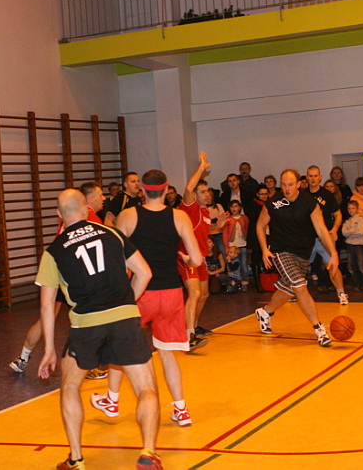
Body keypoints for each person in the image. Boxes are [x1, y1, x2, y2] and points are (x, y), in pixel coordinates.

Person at [36, 189, 160, 470]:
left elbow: (46, 306)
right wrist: (127, 304)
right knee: (145, 387)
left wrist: (49, 349)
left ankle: (76, 459)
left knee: (70, 386)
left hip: (86, 324)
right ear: (86, 209)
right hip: (124, 319)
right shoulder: (112, 233)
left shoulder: (53, 251)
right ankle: (149, 453)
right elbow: (145, 272)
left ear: (59, 215)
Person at [93, 169, 204, 429]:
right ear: (166, 190)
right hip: (172, 293)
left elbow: (115, 257)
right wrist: (186, 259)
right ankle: (181, 410)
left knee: (119, 344)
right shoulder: (179, 216)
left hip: (141, 291)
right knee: (167, 353)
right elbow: (198, 260)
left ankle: (112, 400)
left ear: (142, 190)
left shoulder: (128, 215)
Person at [9, 182, 107, 378]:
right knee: (89, 317)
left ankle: (22, 358)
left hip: (61, 270)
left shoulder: (69, 214)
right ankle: (86, 365)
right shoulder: (89, 217)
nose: (104, 198)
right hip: (76, 275)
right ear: (89, 201)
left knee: (47, 317)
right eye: (100, 195)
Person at [253, 169, 338, 347]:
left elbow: (321, 229)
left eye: (291, 184)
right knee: (299, 286)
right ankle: (319, 329)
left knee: (290, 287)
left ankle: (265, 312)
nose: (287, 188)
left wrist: (333, 253)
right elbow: (260, 225)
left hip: (303, 252)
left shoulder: (309, 202)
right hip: (280, 250)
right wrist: (264, 249)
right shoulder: (273, 203)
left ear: (299, 184)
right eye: (284, 184)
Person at [180, 153, 215, 349]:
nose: (206, 194)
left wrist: (218, 227)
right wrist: (201, 168)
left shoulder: (205, 211)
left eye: (207, 191)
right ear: (195, 195)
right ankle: (188, 336)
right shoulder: (190, 208)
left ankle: (192, 325)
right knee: (194, 293)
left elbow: (200, 231)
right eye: (202, 192)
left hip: (201, 258)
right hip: (186, 257)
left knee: (204, 294)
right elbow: (188, 188)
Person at [305, 166, 348, 305]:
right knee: (299, 267)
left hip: (324, 238)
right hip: (307, 238)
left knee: (332, 265)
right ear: (307, 177)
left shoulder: (327, 195)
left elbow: (338, 214)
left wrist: (334, 229)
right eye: (310, 176)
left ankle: (341, 294)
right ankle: (293, 294)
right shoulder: (302, 195)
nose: (313, 178)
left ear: (320, 177)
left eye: (315, 176)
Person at [342, 200, 363, 291]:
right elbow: (344, 232)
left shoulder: (361, 219)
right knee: (351, 266)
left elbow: (361, 232)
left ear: (357, 209)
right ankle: (357, 284)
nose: (351, 210)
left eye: (353, 208)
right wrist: (353, 231)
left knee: (360, 265)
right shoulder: (347, 221)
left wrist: (350, 232)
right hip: (350, 244)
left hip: (359, 245)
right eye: (349, 208)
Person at [222, 200, 249, 288]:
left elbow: (247, 229)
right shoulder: (228, 219)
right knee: (232, 265)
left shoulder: (244, 218)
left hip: (243, 243)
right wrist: (226, 247)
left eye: (236, 206)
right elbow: (225, 233)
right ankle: (233, 282)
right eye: (232, 206)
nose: (234, 208)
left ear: (240, 207)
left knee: (244, 264)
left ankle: (244, 282)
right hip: (232, 245)